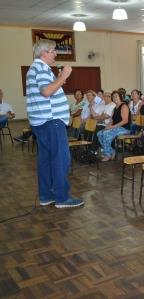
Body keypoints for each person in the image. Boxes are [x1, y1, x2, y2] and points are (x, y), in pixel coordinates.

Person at [25, 39, 83, 208]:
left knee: (46, 159)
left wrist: (57, 79)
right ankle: (62, 198)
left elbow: (47, 89)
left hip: (41, 122)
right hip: (51, 121)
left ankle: (46, 195)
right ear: (43, 53)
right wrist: (64, 76)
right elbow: (46, 91)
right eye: (53, 51)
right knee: (60, 159)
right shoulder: (41, 68)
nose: (56, 53)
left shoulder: (34, 68)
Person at [97, 91, 131, 162]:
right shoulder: (115, 108)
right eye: (113, 96)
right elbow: (111, 120)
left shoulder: (124, 106)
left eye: (116, 96)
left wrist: (112, 127)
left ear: (120, 97)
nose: (114, 98)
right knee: (100, 133)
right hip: (116, 127)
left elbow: (125, 121)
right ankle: (111, 151)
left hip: (124, 128)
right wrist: (107, 127)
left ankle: (107, 155)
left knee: (106, 134)